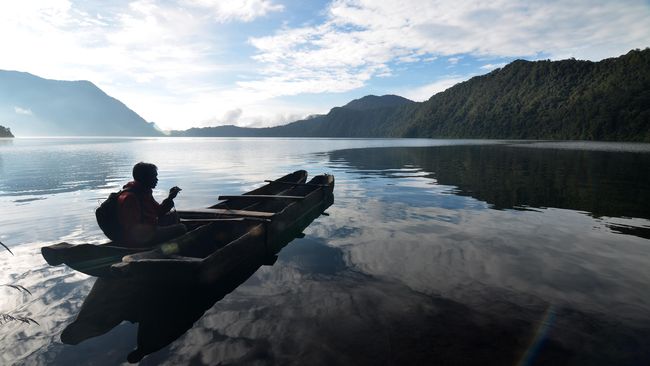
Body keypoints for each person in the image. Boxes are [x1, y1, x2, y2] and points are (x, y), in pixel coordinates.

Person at [118, 162, 187, 247]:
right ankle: (169, 248)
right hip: (141, 238)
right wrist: (155, 229)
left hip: (150, 228)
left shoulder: (144, 192)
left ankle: (171, 244)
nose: (157, 179)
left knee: (174, 216)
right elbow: (132, 229)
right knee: (181, 228)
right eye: (154, 176)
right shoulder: (130, 198)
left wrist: (170, 198)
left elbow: (159, 211)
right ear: (144, 178)